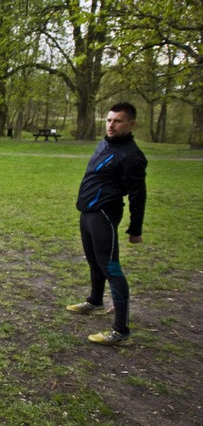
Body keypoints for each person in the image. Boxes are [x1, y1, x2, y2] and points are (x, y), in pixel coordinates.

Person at [66, 102, 147, 347]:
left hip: (104, 215)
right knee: (94, 260)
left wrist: (136, 230)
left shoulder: (131, 156)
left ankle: (120, 330)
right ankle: (94, 301)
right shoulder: (106, 143)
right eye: (109, 120)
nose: (111, 125)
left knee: (111, 268)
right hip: (88, 213)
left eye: (118, 121)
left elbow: (138, 195)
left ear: (131, 124)